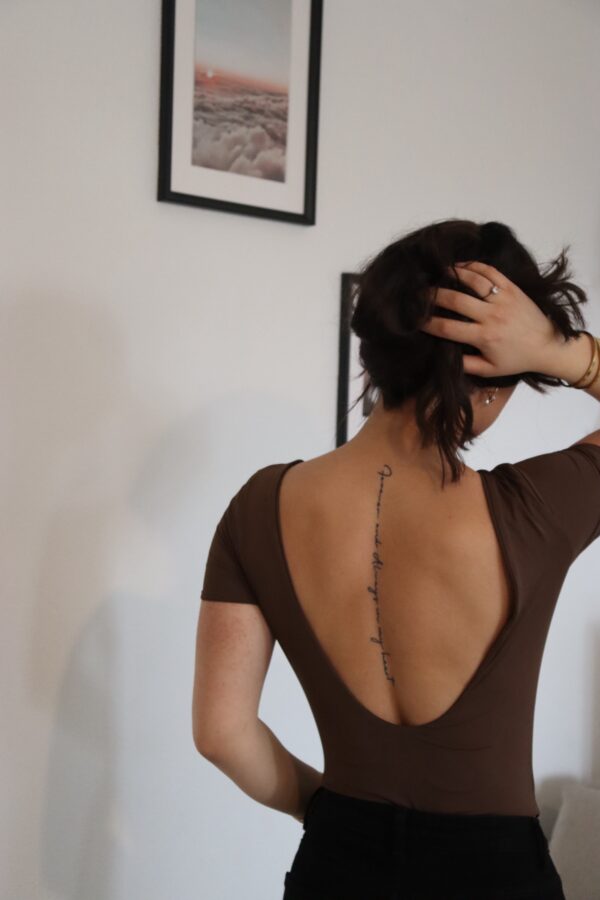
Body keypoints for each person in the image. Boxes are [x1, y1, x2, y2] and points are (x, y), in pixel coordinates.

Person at [193, 219, 600, 899]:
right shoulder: (538, 509)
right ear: (494, 378)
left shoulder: (258, 507)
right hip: (496, 877)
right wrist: (564, 354)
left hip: (335, 868)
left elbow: (221, 734)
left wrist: (335, 819)